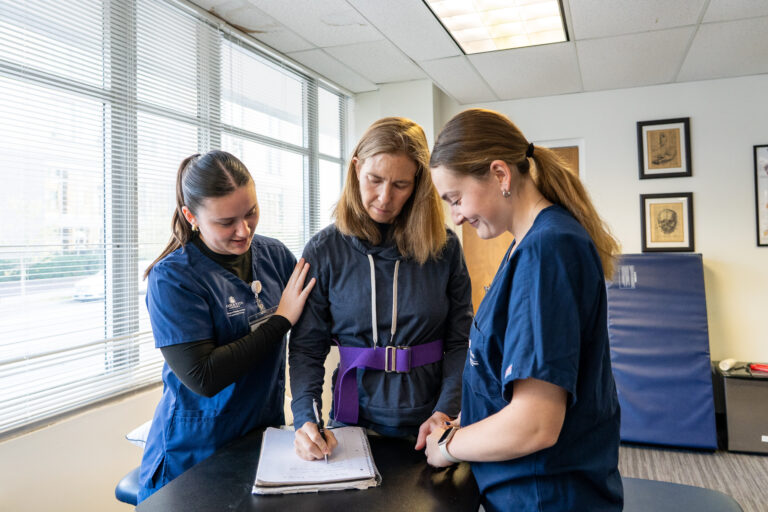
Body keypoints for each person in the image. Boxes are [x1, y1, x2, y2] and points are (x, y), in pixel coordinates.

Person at [425, 109, 623, 512]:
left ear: (500, 174)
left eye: (456, 198)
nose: (457, 216)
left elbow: (535, 424)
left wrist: (448, 446)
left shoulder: (547, 250)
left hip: (544, 495)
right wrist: (468, 421)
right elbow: (510, 372)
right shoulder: (528, 245)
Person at [289, 117, 473, 461]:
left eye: (401, 185)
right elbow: (306, 349)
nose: (385, 197)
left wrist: (447, 410)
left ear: (419, 184)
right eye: (375, 179)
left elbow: (460, 342)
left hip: (430, 424)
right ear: (356, 169)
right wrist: (306, 419)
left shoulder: (444, 248)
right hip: (350, 421)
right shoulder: (324, 249)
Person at [137, 150, 315, 502]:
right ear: (191, 216)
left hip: (262, 436)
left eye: (251, 213)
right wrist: (280, 321)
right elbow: (204, 376)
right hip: (195, 452)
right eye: (226, 221)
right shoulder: (173, 278)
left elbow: (319, 322)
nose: (243, 230)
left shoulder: (274, 255)